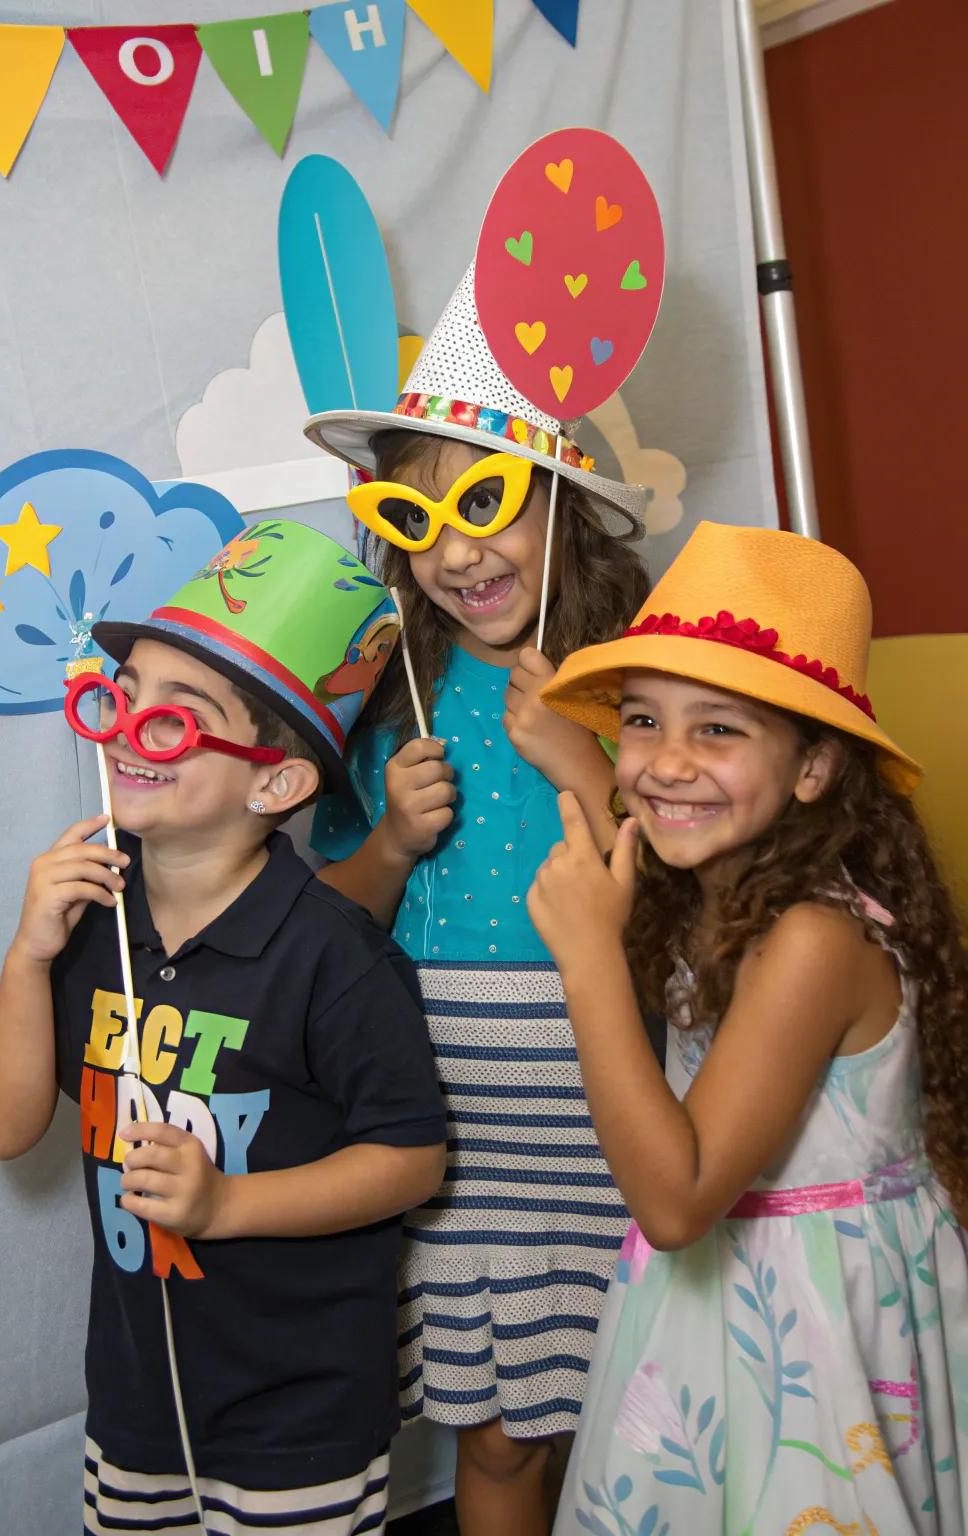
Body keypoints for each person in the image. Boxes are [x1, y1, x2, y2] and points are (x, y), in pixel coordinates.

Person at [0, 521, 447, 1536]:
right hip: (140, 1399)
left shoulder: (333, 955)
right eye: (119, 699)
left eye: (173, 722)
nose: (124, 732)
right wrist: (26, 957)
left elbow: (410, 1162)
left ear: (275, 784)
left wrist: (225, 1202)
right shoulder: (95, 917)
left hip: (301, 1404)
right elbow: (4, 1131)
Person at [526, 520, 968, 1535]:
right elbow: (659, 803)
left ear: (813, 769)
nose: (665, 762)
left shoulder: (812, 937)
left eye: (717, 729)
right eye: (641, 720)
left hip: (813, 1332)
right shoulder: (718, 895)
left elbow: (676, 1202)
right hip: (716, 1314)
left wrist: (588, 962)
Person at [304, 267, 654, 1536]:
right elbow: (328, 918)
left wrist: (592, 769)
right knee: (500, 1437)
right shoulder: (385, 688)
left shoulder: (646, 679)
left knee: (639, 1411)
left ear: (558, 499)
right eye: (417, 519)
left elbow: (716, 905)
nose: (456, 553)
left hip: (615, 1109)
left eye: (488, 509)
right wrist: (392, 841)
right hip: (454, 1128)